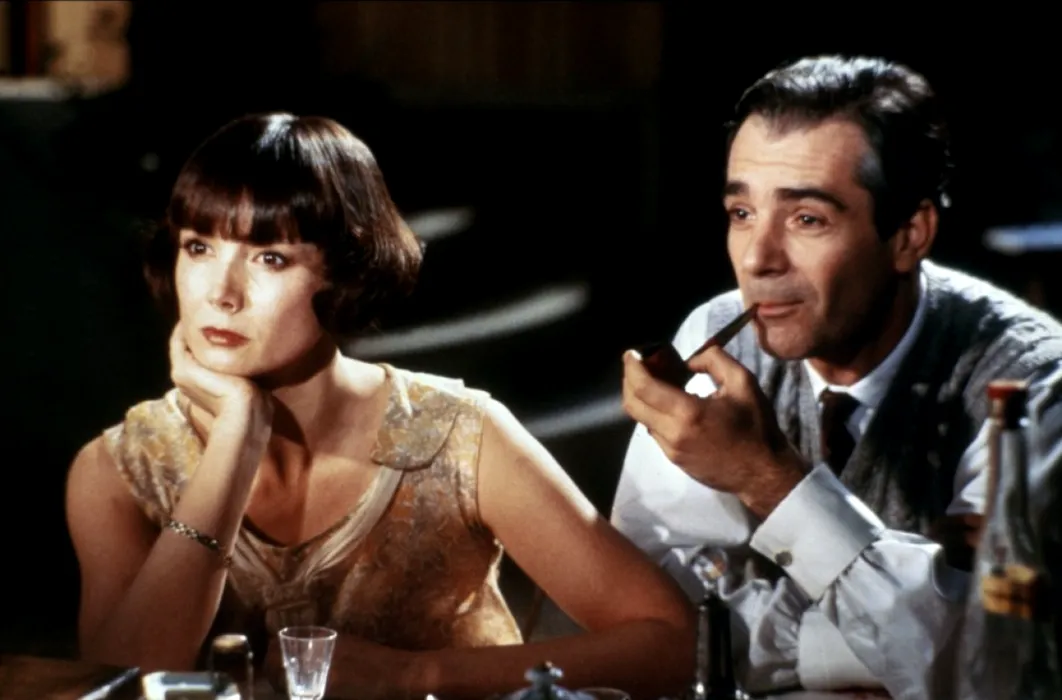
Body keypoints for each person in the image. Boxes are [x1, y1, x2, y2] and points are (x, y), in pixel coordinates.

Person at [65, 112, 695, 700]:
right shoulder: (118, 471)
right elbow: (113, 689)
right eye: (199, 247)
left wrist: (416, 674)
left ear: (346, 273)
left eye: (270, 258)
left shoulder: (457, 436)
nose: (221, 294)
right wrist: (235, 442)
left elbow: (672, 643)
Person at [610, 54, 1062, 699]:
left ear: (908, 236)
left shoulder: (1031, 382)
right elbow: (651, 616)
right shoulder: (714, 336)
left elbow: (989, 661)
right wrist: (882, 632)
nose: (758, 260)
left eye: (807, 219)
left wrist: (768, 478)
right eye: (741, 213)